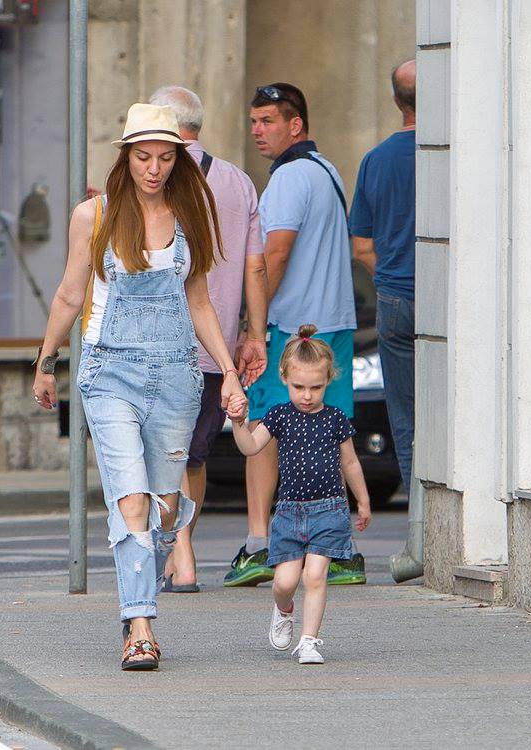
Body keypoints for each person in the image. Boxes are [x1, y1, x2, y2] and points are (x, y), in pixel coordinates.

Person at [32, 103, 244, 671]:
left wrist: (228, 371)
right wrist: (46, 360)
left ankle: (140, 595)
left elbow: (199, 300)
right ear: (126, 157)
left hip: (176, 375)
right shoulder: (94, 215)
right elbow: (70, 293)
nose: (154, 168)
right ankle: (140, 626)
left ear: (179, 160)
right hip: (110, 373)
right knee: (130, 499)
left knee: (165, 509)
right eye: (144, 157)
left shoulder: (190, 213)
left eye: (165, 158)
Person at [224, 83, 361, 588]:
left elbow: (275, 253)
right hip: (335, 321)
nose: (257, 131)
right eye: (253, 121)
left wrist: (252, 325)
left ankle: (260, 544)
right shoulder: (328, 170)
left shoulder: (286, 178)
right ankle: (337, 549)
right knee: (331, 433)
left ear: (295, 124)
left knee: (262, 429)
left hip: (289, 327)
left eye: (268, 121)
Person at [146, 85, 268, 593]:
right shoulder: (239, 182)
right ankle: (180, 559)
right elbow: (256, 266)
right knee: (193, 456)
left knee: (162, 451)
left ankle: (181, 554)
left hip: (159, 341)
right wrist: (254, 334)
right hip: (217, 348)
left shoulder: (155, 179)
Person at [226, 324, 371, 664]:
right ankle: (284, 609)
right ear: (284, 378)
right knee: (284, 583)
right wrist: (238, 422)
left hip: (330, 511)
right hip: (290, 513)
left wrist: (362, 501)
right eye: (299, 387)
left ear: (328, 380)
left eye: (316, 388)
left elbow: (350, 463)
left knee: (315, 576)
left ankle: (309, 641)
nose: (307, 396)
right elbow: (251, 447)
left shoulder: (335, 419)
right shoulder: (279, 416)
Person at [350, 60, 416, 493]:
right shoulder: (455, 153)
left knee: (405, 417)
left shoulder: (375, 160)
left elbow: (361, 247)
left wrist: (391, 277)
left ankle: (420, 518)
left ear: (396, 101)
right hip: (452, 299)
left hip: (395, 296)